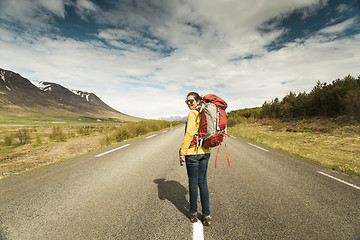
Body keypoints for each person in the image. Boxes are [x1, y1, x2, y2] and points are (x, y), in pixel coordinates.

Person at [179, 92, 212, 226]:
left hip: (193, 153)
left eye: (191, 101)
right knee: (203, 183)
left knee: (193, 182)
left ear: (198, 101)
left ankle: (193, 213)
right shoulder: (206, 113)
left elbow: (189, 134)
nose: (189, 104)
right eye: (186, 101)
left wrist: (182, 152)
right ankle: (206, 215)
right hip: (205, 151)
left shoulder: (193, 114)